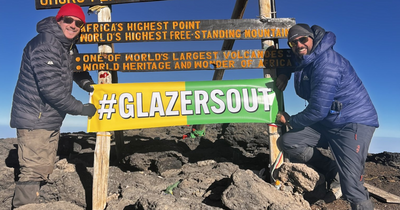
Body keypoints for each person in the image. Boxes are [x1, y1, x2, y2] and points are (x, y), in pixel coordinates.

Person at [275, 23, 379, 210]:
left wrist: (290, 120)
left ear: (312, 39)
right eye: (293, 42)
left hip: (352, 123)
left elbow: (317, 110)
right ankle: (332, 169)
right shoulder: (304, 56)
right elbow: (290, 60)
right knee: (289, 141)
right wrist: (284, 74)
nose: (298, 45)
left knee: (351, 187)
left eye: (302, 39)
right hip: (329, 120)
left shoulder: (327, 63)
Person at [10, 3, 97, 208]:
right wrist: (81, 108)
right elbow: (52, 90)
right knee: (33, 171)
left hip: (47, 119)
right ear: (58, 20)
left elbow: (76, 68)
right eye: (68, 20)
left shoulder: (67, 46)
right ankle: (24, 206)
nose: (73, 25)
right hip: (35, 119)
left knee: (43, 167)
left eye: (79, 22)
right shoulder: (46, 44)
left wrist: (88, 85)